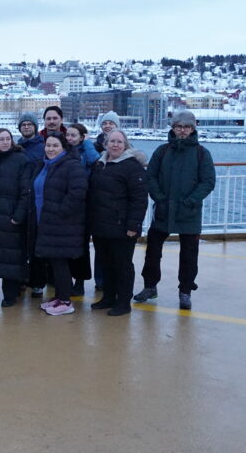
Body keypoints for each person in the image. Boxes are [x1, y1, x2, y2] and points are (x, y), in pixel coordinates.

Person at [135, 110, 216, 310]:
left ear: (192, 129)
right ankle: (150, 286)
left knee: (189, 255)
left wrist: (191, 201)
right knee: (153, 251)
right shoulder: (162, 151)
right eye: (179, 126)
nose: (182, 130)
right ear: (173, 128)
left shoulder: (201, 153)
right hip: (164, 209)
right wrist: (160, 198)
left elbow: (208, 181)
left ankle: (185, 291)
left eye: (186, 127)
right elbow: (150, 176)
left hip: (189, 212)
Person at [89, 130, 148, 316]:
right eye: (112, 141)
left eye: (119, 142)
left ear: (125, 145)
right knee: (106, 263)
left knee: (122, 265)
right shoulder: (100, 164)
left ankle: (123, 302)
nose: (115, 145)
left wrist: (134, 225)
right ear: (106, 143)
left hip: (122, 227)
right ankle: (108, 297)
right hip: (101, 225)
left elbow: (139, 199)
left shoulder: (132, 167)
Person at [31, 133, 88, 316]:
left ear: (64, 147)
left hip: (62, 224)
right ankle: (59, 296)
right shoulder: (46, 165)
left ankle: (65, 301)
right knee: (54, 262)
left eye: (55, 145)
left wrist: (59, 212)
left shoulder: (71, 166)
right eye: (48, 145)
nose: (50, 149)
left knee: (60, 262)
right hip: (46, 222)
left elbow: (78, 193)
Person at [0, 129, 32, 307]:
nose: (5, 142)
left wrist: (18, 215)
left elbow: (26, 191)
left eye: (8, 139)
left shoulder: (21, 160)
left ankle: (10, 294)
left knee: (11, 256)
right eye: (1, 139)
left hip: (10, 215)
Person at [64, 122, 99, 295]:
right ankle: (66, 279)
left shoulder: (87, 153)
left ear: (82, 137)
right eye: (68, 135)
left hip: (84, 204)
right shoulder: (63, 151)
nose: (69, 138)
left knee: (81, 245)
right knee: (66, 244)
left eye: (73, 135)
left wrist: (87, 144)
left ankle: (80, 281)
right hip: (67, 203)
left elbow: (97, 162)